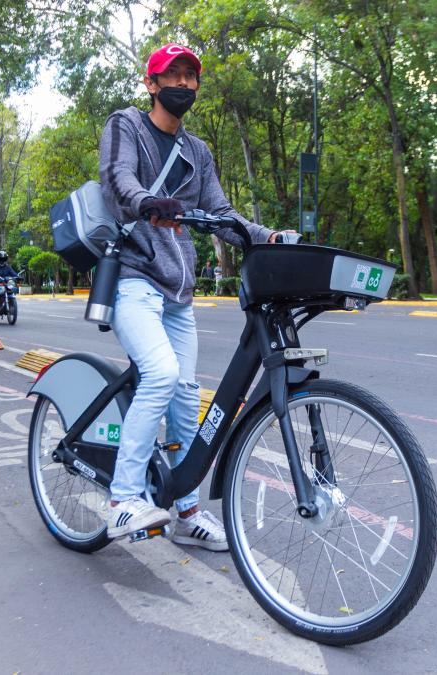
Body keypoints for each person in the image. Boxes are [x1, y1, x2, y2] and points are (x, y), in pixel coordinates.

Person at [98, 43, 294, 550]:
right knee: (160, 374)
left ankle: (186, 510)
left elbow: (222, 214)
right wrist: (147, 202)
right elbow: (118, 179)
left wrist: (267, 237)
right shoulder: (127, 125)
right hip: (134, 277)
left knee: (187, 398)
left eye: (191, 76)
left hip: (177, 292)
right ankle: (123, 501)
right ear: (151, 83)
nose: (183, 84)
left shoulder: (197, 152)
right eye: (173, 75)